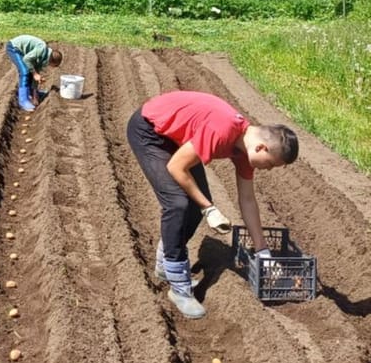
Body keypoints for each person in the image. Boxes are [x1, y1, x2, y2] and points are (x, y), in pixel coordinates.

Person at [126, 90, 299, 319]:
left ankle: (165, 264)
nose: (268, 169)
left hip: (178, 139)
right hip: (150, 131)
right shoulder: (222, 130)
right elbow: (176, 167)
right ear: (261, 148)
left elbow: (247, 200)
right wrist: (209, 208)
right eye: (271, 164)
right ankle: (179, 289)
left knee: (195, 206)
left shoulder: (244, 152)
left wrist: (263, 253)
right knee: (178, 204)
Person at [5, 35, 63, 111]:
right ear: (52, 62)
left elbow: (36, 72)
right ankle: (23, 100)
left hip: (22, 51)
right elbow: (26, 59)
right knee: (25, 72)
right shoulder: (41, 50)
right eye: (54, 66)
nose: (51, 67)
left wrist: (35, 95)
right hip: (14, 47)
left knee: (31, 71)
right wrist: (35, 74)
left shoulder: (44, 58)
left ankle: (31, 93)